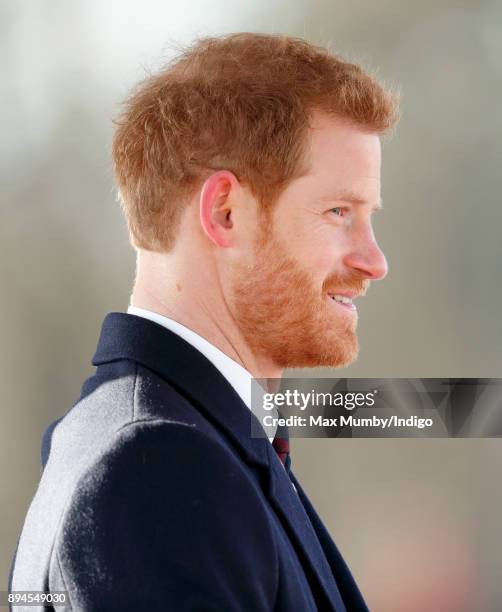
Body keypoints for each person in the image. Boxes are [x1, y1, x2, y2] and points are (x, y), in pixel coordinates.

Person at [9, 33, 399, 611]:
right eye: (339, 212)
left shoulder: (168, 444)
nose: (375, 261)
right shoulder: (156, 470)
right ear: (225, 212)